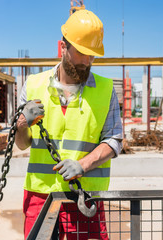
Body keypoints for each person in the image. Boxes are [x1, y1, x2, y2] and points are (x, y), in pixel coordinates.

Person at [15, 9, 123, 240]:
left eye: (92, 55)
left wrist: (83, 165)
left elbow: (114, 140)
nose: (87, 61)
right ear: (62, 47)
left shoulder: (105, 90)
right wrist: (22, 124)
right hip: (40, 195)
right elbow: (22, 145)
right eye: (81, 53)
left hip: (85, 195)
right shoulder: (34, 85)